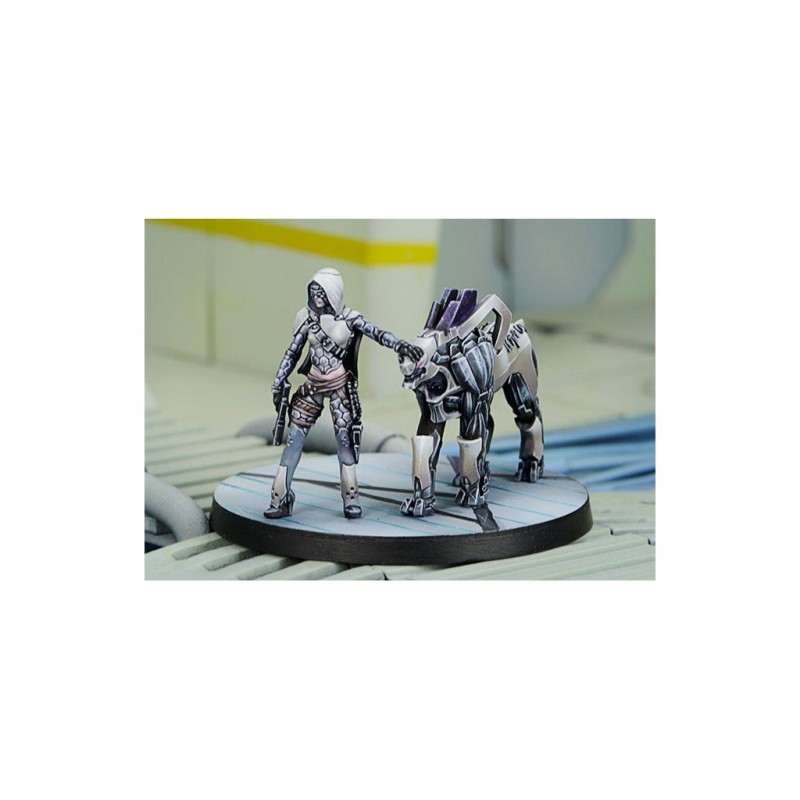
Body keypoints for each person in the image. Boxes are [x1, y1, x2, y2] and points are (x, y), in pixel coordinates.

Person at [265, 268, 423, 519]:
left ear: (333, 293)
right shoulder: (306, 318)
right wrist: (279, 380)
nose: (317, 297)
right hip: (313, 385)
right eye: (313, 291)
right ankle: (280, 496)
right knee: (294, 440)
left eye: (322, 292)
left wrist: (400, 345)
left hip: (341, 386)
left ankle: (351, 498)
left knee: (345, 442)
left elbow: (378, 334)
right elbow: (292, 353)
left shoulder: (350, 319)